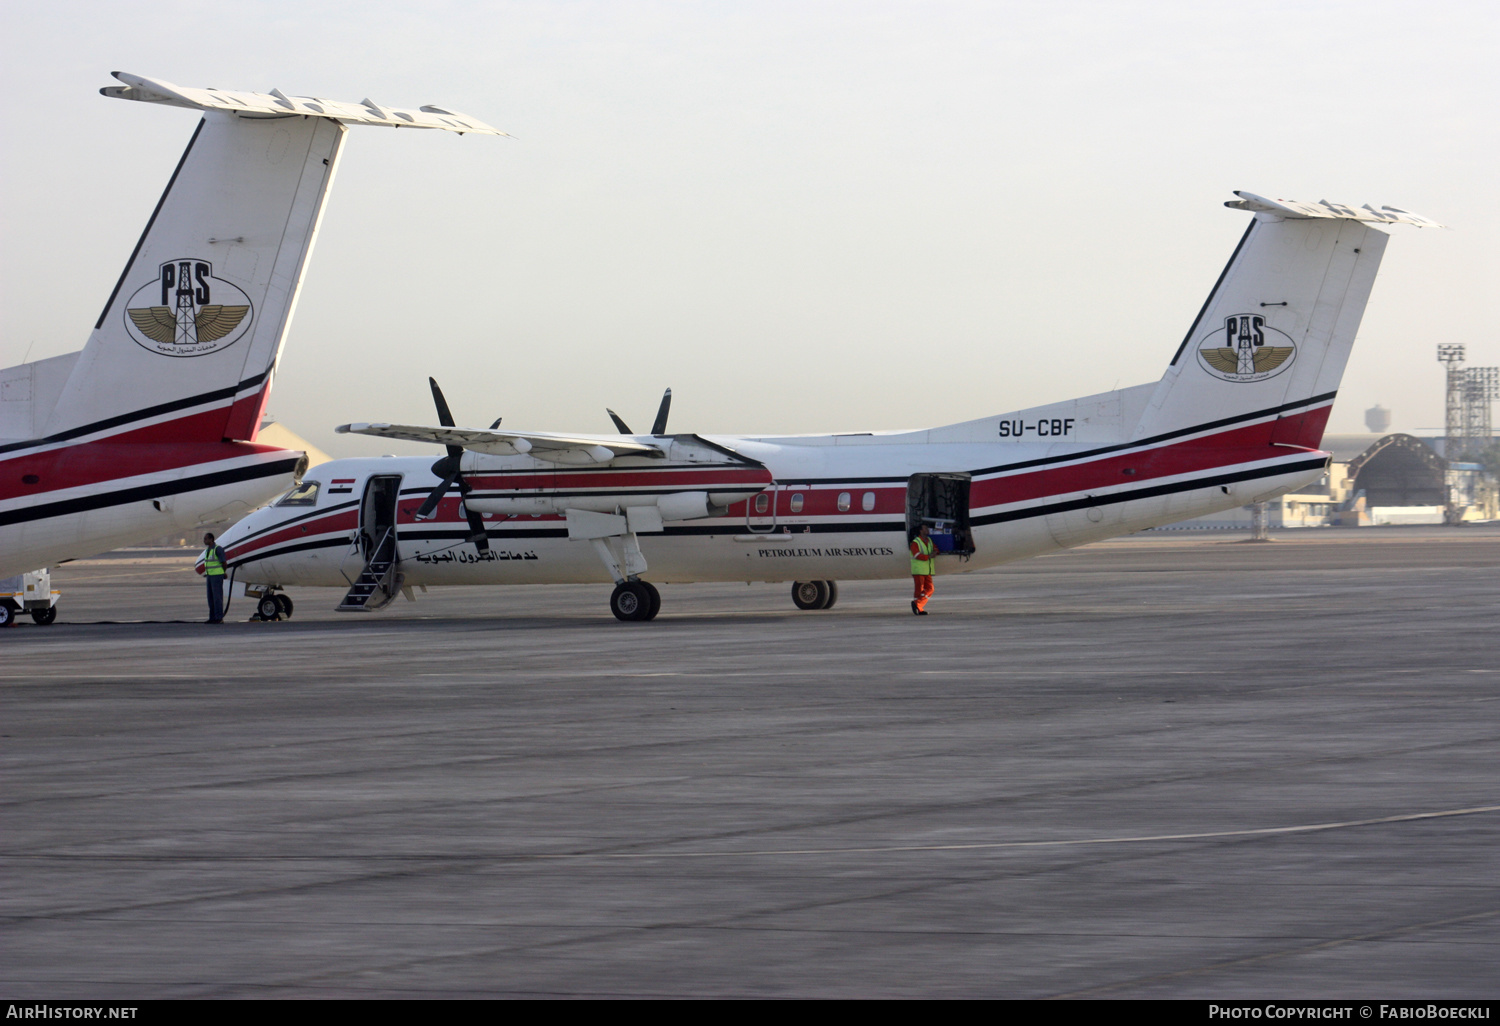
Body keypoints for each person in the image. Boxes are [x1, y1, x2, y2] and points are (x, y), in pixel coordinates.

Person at [199, 532, 228, 623]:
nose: (204, 540)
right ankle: (212, 618)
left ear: (211, 539)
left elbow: (224, 563)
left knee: (217, 598)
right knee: (210, 598)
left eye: (206, 539)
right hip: (210, 576)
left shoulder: (217, 549)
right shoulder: (208, 550)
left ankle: (219, 618)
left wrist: (223, 573)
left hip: (217, 576)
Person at [910, 522, 936, 615]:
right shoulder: (916, 542)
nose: (927, 530)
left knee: (930, 589)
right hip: (919, 570)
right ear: (920, 531)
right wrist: (929, 556)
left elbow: (935, 549)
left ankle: (917, 604)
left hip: (927, 570)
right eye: (925, 528)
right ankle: (919, 608)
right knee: (919, 590)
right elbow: (916, 554)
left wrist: (935, 552)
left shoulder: (929, 540)